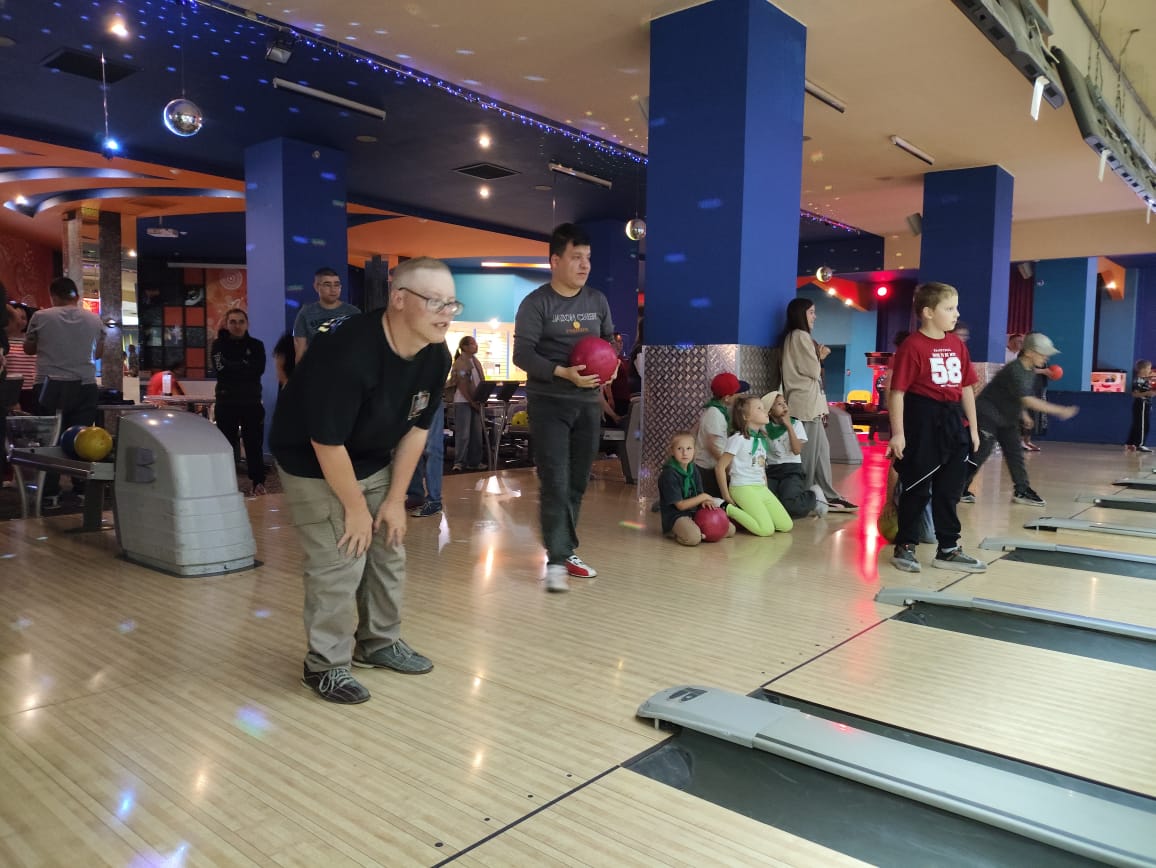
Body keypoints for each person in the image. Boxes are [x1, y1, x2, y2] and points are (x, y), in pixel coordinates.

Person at [270, 257, 457, 704]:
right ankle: (325, 665)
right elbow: (325, 441)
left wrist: (395, 500)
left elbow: (416, 429)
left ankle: (378, 643)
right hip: (311, 461)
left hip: (371, 457)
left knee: (388, 546)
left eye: (452, 303)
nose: (446, 313)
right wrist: (355, 509)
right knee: (343, 556)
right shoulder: (347, 352)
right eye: (435, 301)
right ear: (399, 299)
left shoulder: (436, 355)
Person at [512, 223, 614, 593]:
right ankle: (557, 558)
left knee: (577, 480)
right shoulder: (536, 303)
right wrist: (562, 373)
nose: (585, 265)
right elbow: (522, 354)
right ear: (555, 261)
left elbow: (608, 341)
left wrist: (613, 365)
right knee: (555, 480)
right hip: (550, 403)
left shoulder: (597, 301)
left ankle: (564, 549)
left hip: (587, 403)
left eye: (588, 258)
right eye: (576, 257)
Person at [887, 281, 985, 574]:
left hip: (953, 422)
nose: (957, 314)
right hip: (922, 421)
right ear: (928, 312)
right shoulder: (912, 346)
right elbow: (897, 393)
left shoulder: (957, 345)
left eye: (956, 308)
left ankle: (948, 549)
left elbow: (966, 388)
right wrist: (898, 433)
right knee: (917, 486)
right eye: (950, 308)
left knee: (950, 489)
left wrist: (973, 428)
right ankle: (905, 545)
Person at [963, 333, 1079, 507]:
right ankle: (957, 488)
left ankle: (1022, 490)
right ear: (1030, 352)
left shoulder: (1029, 370)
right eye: (1043, 354)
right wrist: (1060, 410)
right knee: (981, 452)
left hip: (1007, 417)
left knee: (1015, 453)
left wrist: (1023, 415)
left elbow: (1018, 395)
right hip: (987, 414)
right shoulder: (1015, 369)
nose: (1046, 358)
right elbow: (1027, 399)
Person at [24, 277, 106, 509]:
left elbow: (29, 349)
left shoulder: (40, 317)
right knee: (81, 438)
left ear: (53, 296)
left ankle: (49, 493)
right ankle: (82, 490)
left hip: (49, 385)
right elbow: (98, 353)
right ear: (76, 296)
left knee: (49, 439)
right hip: (85, 385)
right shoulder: (94, 319)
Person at [778, 298, 857, 511]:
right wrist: (820, 357)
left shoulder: (794, 337)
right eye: (811, 312)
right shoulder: (800, 336)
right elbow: (813, 371)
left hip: (810, 405)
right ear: (800, 314)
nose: (815, 316)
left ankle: (828, 494)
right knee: (809, 456)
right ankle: (803, 495)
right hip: (805, 405)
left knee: (822, 452)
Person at [716, 395, 793, 536]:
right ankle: (725, 507)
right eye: (759, 408)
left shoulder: (761, 439)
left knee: (786, 525)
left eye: (764, 408)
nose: (765, 411)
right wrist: (726, 495)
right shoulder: (738, 439)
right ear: (745, 416)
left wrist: (766, 489)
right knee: (766, 530)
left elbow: (761, 468)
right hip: (742, 487)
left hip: (760, 487)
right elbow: (720, 467)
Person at [212, 308, 268, 496]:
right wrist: (244, 364)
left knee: (254, 444)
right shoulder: (218, 346)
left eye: (241, 322)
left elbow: (258, 369)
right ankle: (224, 483)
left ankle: (258, 482)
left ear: (247, 324)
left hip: (251, 402)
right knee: (225, 444)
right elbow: (220, 369)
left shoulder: (257, 345)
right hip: (226, 402)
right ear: (227, 324)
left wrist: (232, 366)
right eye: (233, 322)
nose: (237, 326)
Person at [658, 431, 733, 545]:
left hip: (695, 512)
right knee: (693, 538)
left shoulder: (693, 469)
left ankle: (701, 532)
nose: (685, 453)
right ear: (672, 451)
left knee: (730, 529)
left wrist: (706, 501)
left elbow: (699, 494)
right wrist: (703, 497)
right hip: (676, 516)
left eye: (689, 448)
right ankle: (676, 532)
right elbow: (681, 505)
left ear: (694, 450)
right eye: (680, 449)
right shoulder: (669, 474)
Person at [761, 390, 828, 518]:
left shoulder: (796, 424)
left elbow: (797, 450)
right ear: (769, 410)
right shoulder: (764, 427)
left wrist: (788, 426)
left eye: (784, 402)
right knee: (770, 506)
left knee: (791, 507)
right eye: (779, 404)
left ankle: (813, 496)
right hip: (772, 470)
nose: (784, 406)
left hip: (791, 470)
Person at [693, 372, 748, 499]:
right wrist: (728, 468)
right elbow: (712, 445)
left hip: (713, 467)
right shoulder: (715, 414)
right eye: (736, 393)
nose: (739, 395)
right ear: (727, 398)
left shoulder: (717, 411)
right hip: (707, 471)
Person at [292, 267, 361, 361]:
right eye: (327, 285)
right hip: (316, 367)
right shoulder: (305, 313)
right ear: (316, 287)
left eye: (336, 285)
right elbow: (300, 352)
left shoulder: (354, 312)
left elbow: (361, 347)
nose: (333, 289)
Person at [450, 335, 486, 471]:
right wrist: (471, 402)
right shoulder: (460, 363)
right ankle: (459, 462)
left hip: (476, 401)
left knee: (476, 433)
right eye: (472, 343)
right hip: (463, 402)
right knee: (463, 434)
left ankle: (474, 462)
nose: (475, 346)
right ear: (464, 347)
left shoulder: (475, 362)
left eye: (475, 343)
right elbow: (462, 385)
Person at [406, 402, 445, 517]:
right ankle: (415, 496)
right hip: (412, 398)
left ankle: (434, 501)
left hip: (430, 397)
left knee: (432, 448)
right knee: (412, 446)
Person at [1125, 358, 1153, 452]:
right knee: (1143, 425)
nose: (1150, 370)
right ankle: (1140, 444)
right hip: (1141, 404)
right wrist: (1147, 393)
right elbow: (1134, 394)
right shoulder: (1138, 380)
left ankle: (1130, 443)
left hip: (1145, 404)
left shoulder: (1145, 380)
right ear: (1143, 369)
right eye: (1149, 368)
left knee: (1137, 425)